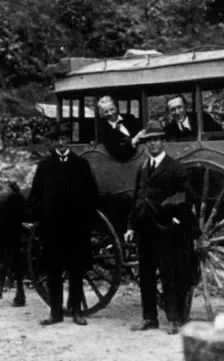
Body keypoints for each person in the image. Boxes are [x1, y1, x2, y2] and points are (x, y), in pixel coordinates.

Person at [124, 120, 200, 335]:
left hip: (167, 230)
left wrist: (177, 218)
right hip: (145, 229)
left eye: (156, 140)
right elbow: (137, 199)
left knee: (169, 274)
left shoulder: (174, 167)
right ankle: (149, 318)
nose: (153, 144)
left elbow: (187, 195)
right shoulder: (143, 168)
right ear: (146, 144)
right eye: (149, 141)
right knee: (146, 275)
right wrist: (131, 226)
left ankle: (175, 319)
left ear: (162, 142)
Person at [28, 121, 100, 326]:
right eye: (58, 140)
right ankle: (55, 313)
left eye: (65, 139)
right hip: (52, 229)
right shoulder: (44, 166)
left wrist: (84, 218)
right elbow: (34, 197)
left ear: (70, 141)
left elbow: (93, 196)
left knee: (76, 270)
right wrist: (43, 216)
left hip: (76, 229)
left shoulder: (81, 165)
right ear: (53, 142)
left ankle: (76, 311)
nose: (61, 143)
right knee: (53, 271)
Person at [96, 96, 143, 161]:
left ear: (116, 108)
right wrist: (133, 141)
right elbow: (117, 152)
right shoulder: (103, 128)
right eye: (105, 112)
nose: (110, 113)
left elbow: (142, 134)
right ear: (102, 114)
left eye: (112, 109)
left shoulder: (130, 118)